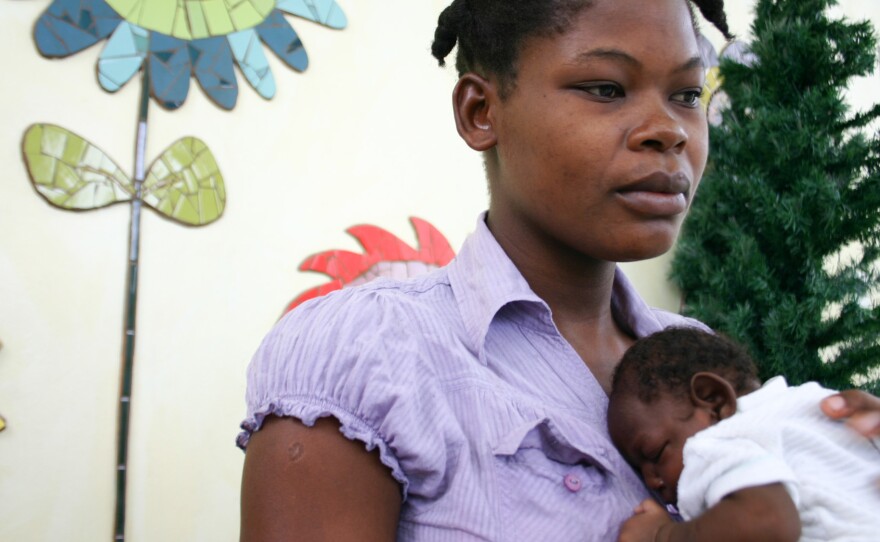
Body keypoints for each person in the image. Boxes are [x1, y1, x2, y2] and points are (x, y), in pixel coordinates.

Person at [237, 1, 880, 540]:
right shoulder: (366, 351)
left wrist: (844, 465)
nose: (669, 130)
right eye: (606, 88)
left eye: (687, 94)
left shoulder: (690, 359)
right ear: (480, 113)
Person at [607, 327, 880, 542]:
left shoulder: (715, 442)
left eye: (654, 453)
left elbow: (768, 522)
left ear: (713, 401)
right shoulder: (816, 401)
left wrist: (661, 536)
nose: (651, 481)